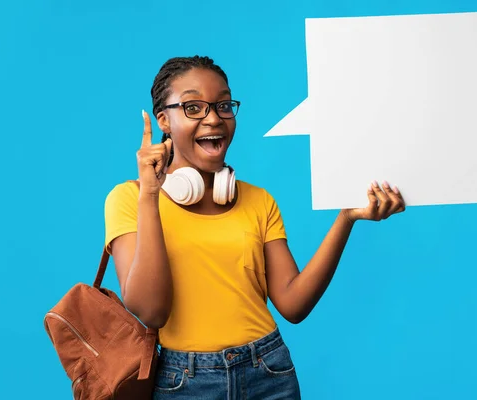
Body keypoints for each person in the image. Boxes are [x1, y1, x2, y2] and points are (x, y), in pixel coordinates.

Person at [104, 56, 405, 400]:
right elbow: (151, 310)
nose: (214, 117)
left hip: (269, 371)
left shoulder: (259, 201)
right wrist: (151, 196)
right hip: (184, 382)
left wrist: (346, 217)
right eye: (193, 107)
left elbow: (293, 304)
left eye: (223, 105)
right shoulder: (130, 199)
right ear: (164, 120)